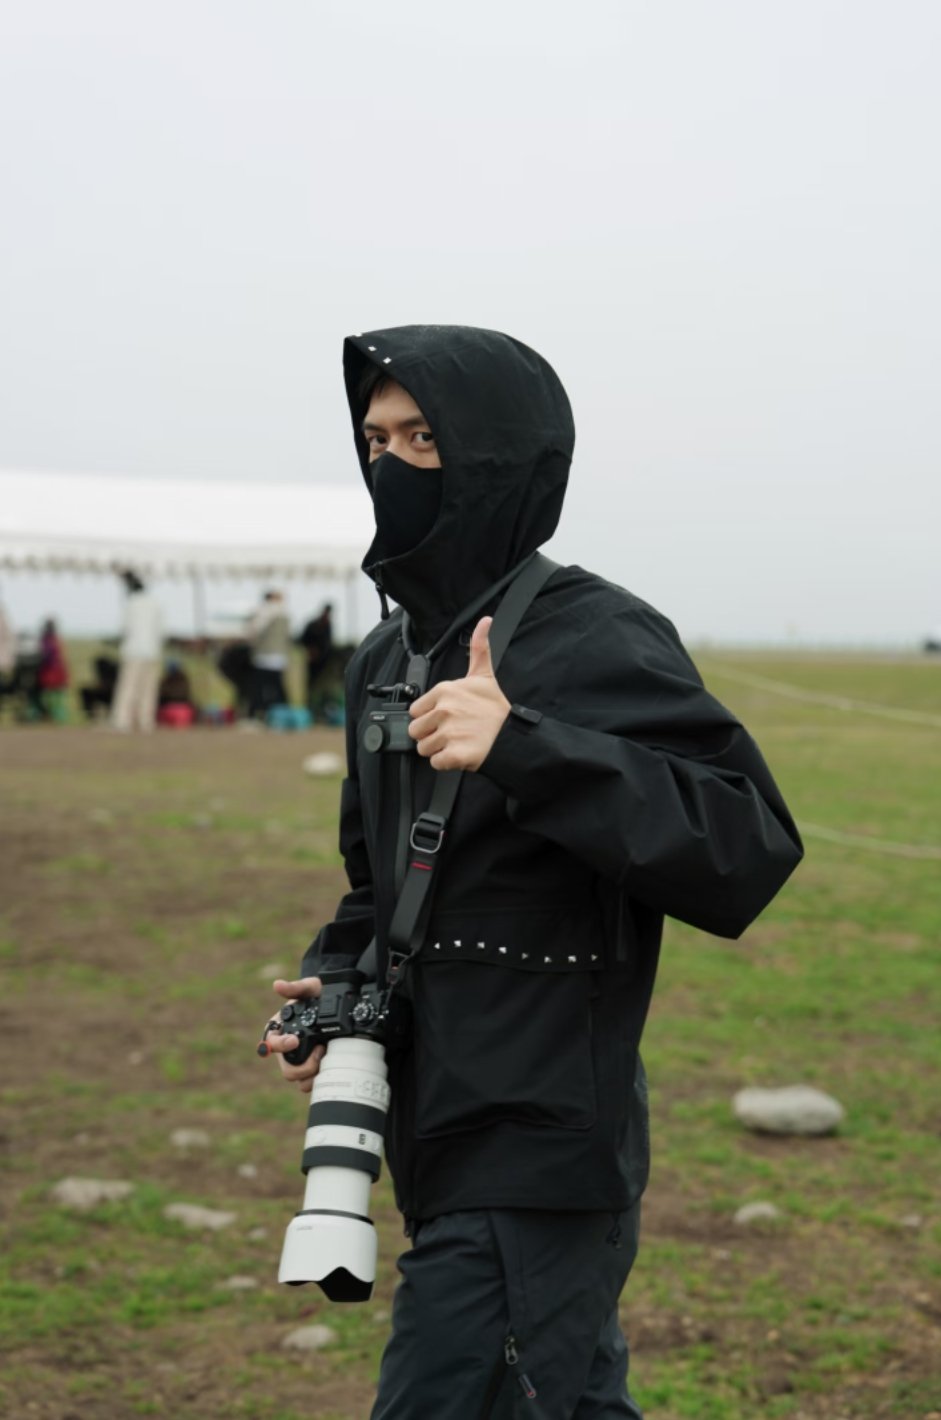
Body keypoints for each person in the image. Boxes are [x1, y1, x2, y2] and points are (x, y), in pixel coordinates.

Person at [261, 326, 803, 1419]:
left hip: (542, 1136)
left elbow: (745, 845)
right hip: (431, 1123)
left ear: (499, 453)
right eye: (375, 440)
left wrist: (524, 745)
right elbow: (378, 883)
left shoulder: (594, 634)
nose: (391, 464)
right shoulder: (387, 656)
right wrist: (337, 982)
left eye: (423, 438)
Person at [111, 571, 163, 733]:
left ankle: (123, 720)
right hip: (152, 651)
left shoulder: (131, 604)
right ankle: (146, 721)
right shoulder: (155, 604)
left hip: (133, 651)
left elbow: (124, 628)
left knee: (129, 686)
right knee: (148, 688)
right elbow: (161, 630)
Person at [246, 589, 290, 719]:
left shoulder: (264, 611)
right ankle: (282, 714)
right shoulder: (284, 614)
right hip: (279, 658)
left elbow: (253, 631)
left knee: (259, 687)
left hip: (264, 657)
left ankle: (255, 713)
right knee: (278, 687)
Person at [297, 601, 333, 717]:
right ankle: (310, 709)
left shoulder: (327, 625)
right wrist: (310, 651)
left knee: (321, 688)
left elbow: (327, 645)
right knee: (310, 687)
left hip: (323, 664)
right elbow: (303, 640)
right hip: (311, 662)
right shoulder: (313, 625)